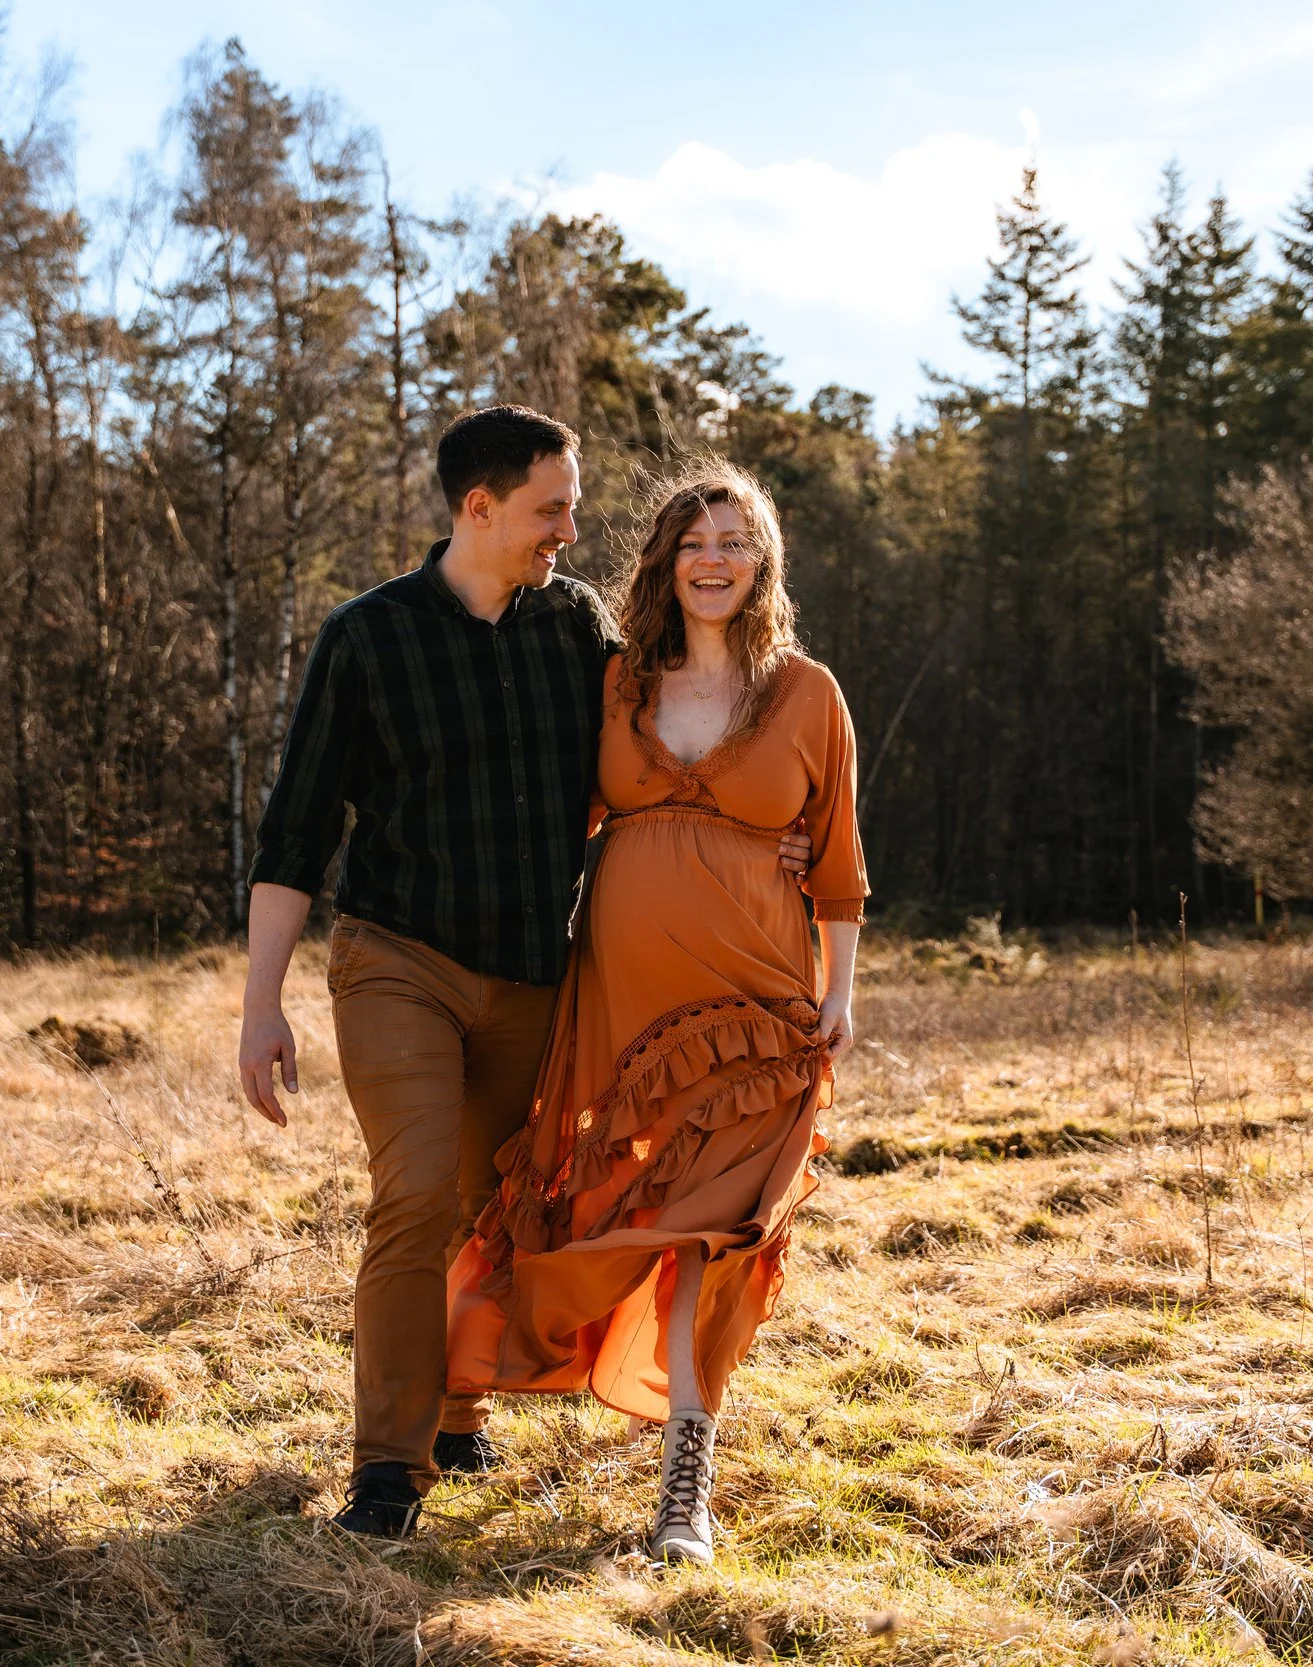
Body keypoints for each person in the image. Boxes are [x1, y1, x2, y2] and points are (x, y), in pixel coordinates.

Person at [235, 408, 812, 1539]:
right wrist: (261, 1005)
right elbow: (295, 832)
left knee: (488, 1202)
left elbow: (662, 757)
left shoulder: (577, 628)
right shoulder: (369, 637)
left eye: (573, 505)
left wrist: (774, 831)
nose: (569, 527)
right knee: (411, 1197)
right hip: (400, 956)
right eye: (552, 506)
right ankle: (389, 1472)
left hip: (535, 974)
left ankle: (457, 1410)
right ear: (479, 506)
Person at [446, 460, 867, 1567]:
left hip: (761, 1005)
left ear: (763, 560)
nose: (713, 558)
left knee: (711, 1234)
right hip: (624, 1007)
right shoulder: (619, 682)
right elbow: (551, 805)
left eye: (734, 539)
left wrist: (841, 990)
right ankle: (451, 1390)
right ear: (664, 560)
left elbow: (837, 864)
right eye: (693, 540)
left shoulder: (807, 692)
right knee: (617, 1206)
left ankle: (686, 1479)